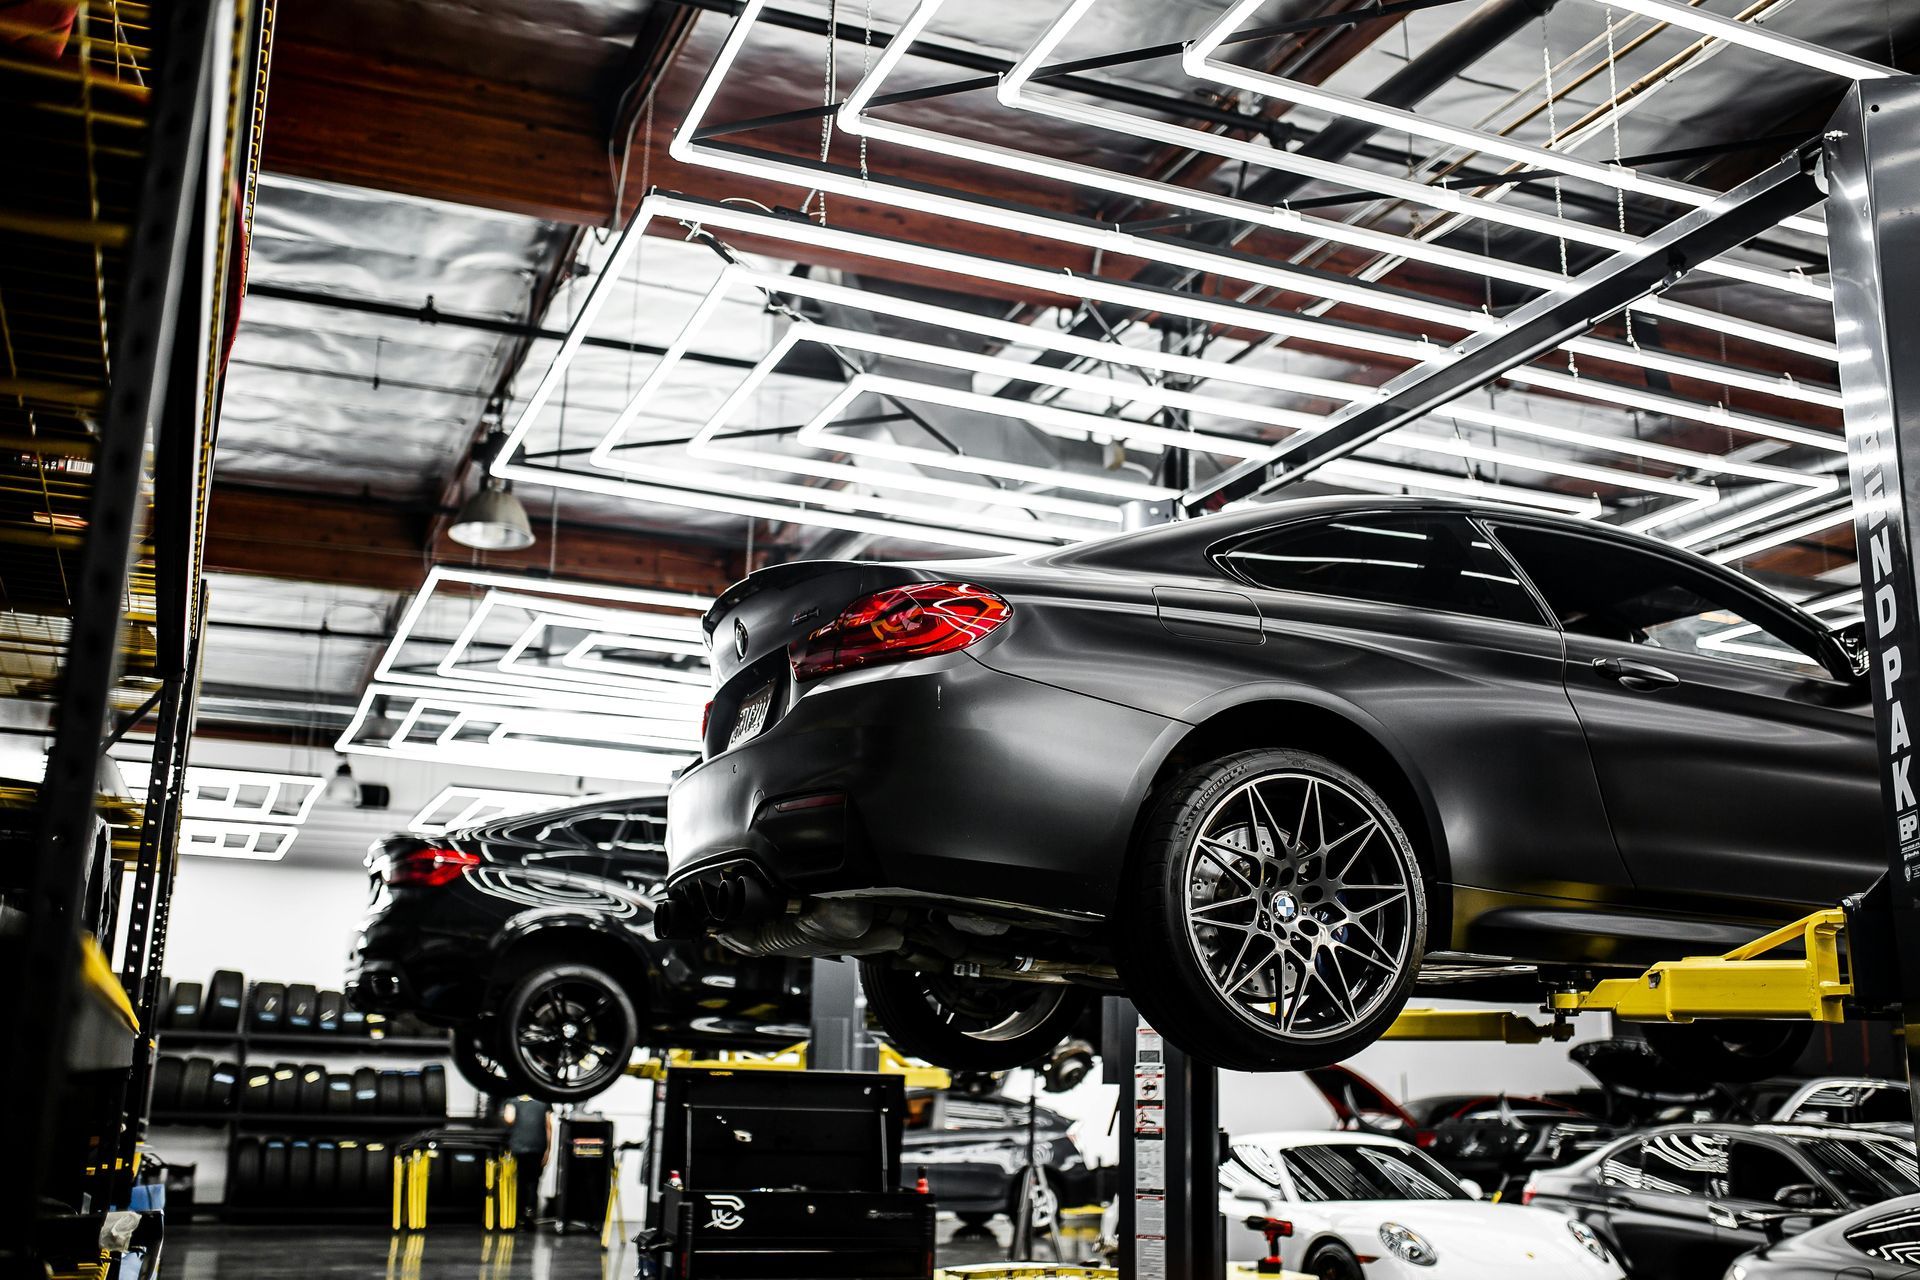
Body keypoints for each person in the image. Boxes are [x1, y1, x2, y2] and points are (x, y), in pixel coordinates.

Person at [500, 1094, 551, 1225]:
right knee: (533, 1182)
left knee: (520, 1182)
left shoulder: (512, 1100)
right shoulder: (543, 1102)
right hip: (538, 1147)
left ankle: (518, 1216)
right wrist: (548, 1150)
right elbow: (548, 1127)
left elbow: (509, 1118)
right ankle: (530, 1214)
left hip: (518, 1146)